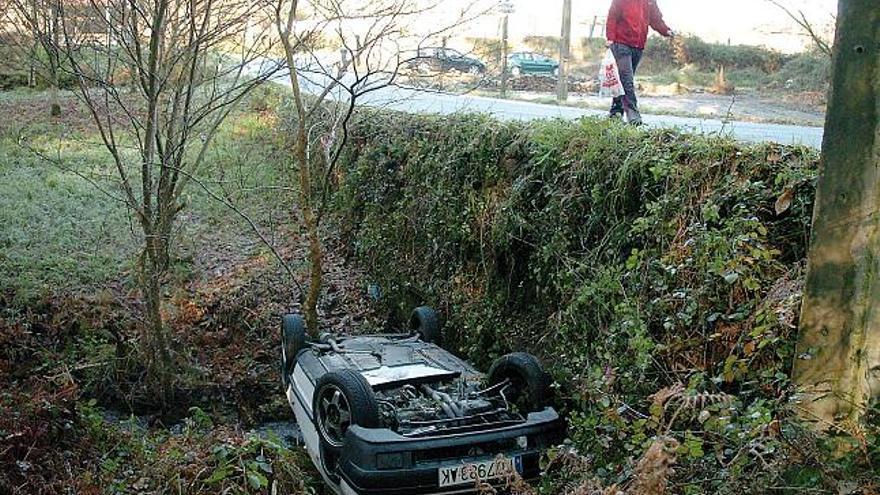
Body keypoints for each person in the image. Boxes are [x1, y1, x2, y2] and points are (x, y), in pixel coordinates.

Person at [606, 0, 675, 125]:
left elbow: (656, 19)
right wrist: (610, 38)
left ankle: (615, 112)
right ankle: (633, 114)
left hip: (638, 46)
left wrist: (666, 31)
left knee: (623, 80)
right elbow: (612, 16)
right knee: (626, 80)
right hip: (621, 44)